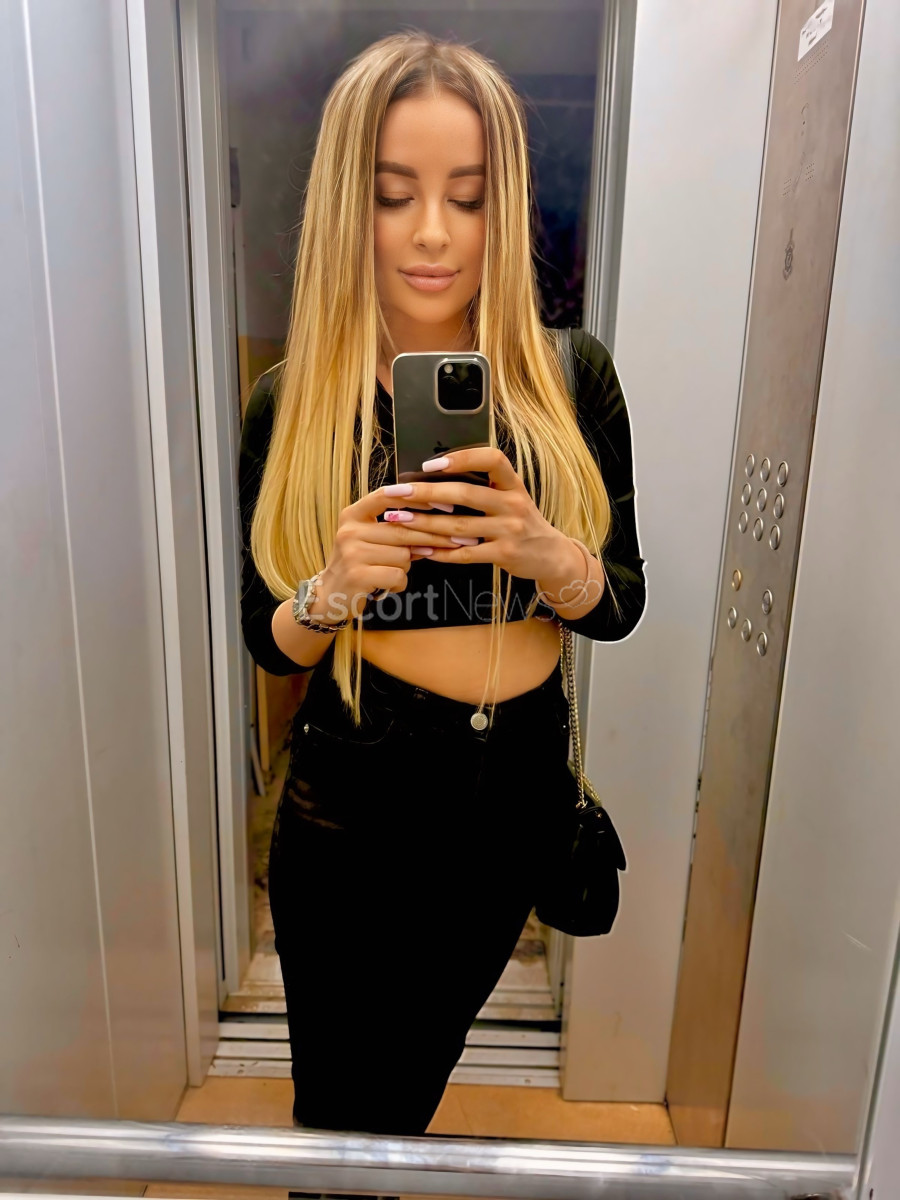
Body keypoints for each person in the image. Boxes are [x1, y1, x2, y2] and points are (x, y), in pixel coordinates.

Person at [238, 30, 646, 1148]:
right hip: (355, 792)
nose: (431, 231)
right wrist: (329, 591)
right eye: (393, 195)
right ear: (348, 207)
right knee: (337, 1112)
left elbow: (619, 603)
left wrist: (550, 556)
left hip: (512, 794)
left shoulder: (570, 381)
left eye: (466, 197)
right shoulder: (294, 404)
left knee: (411, 1086)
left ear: (500, 209)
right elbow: (267, 642)